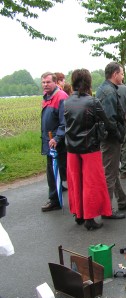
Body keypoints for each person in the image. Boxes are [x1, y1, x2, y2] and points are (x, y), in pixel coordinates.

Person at [64, 69, 118, 230]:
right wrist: (115, 131)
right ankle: (90, 218)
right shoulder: (92, 102)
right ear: (88, 82)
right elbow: (107, 123)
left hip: (72, 148)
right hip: (90, 147)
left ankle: (79, 214)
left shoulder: (67, 101)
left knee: (76, 182)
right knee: (92, 184)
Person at [96, 62, 126, 219]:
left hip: (108, 136)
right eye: (122, 73)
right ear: (115, 74)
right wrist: (119, 134)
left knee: (112, 169)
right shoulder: (109, 92)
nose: (123, 76)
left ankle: (122, 199)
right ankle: (107, 209)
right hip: (110, 138)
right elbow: (109, 119)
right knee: (110, 173)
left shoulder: (105, 89)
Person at [40, 72, 68, 212]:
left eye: (48, 82)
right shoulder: (46, 97)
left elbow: (65, 122)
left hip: (60, 144)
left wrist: (57, 138)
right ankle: (54, 199)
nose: (45, 85)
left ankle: (82, 200)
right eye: (43, 82)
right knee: (51, 172)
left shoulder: (61, 97)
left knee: (66, 172)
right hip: (49, 142)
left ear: (55, 82)